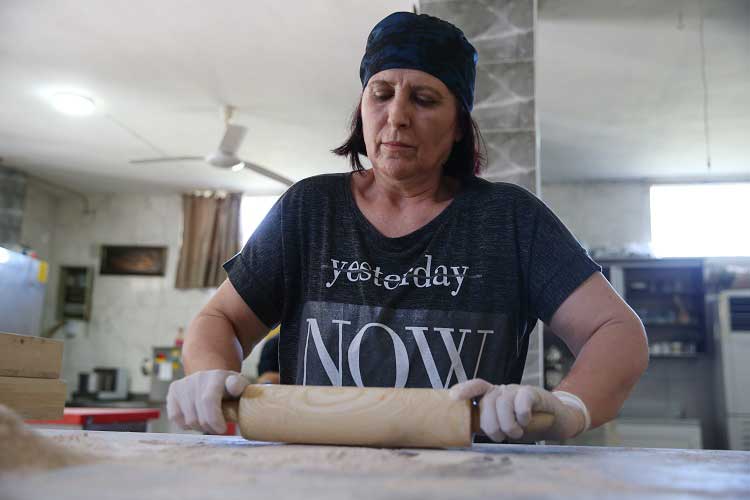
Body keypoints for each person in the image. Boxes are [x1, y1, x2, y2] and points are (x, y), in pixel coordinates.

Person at [167, 12, 649, 443]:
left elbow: (617, 332)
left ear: (459, 124)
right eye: (381, 94)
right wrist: (211, 374)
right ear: (362, 107)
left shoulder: (510, 220)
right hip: (314, 480)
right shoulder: (308, 209)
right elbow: (220, 321)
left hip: (469, 482)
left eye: (423, 99)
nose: (396, 116)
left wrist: (567, 408)